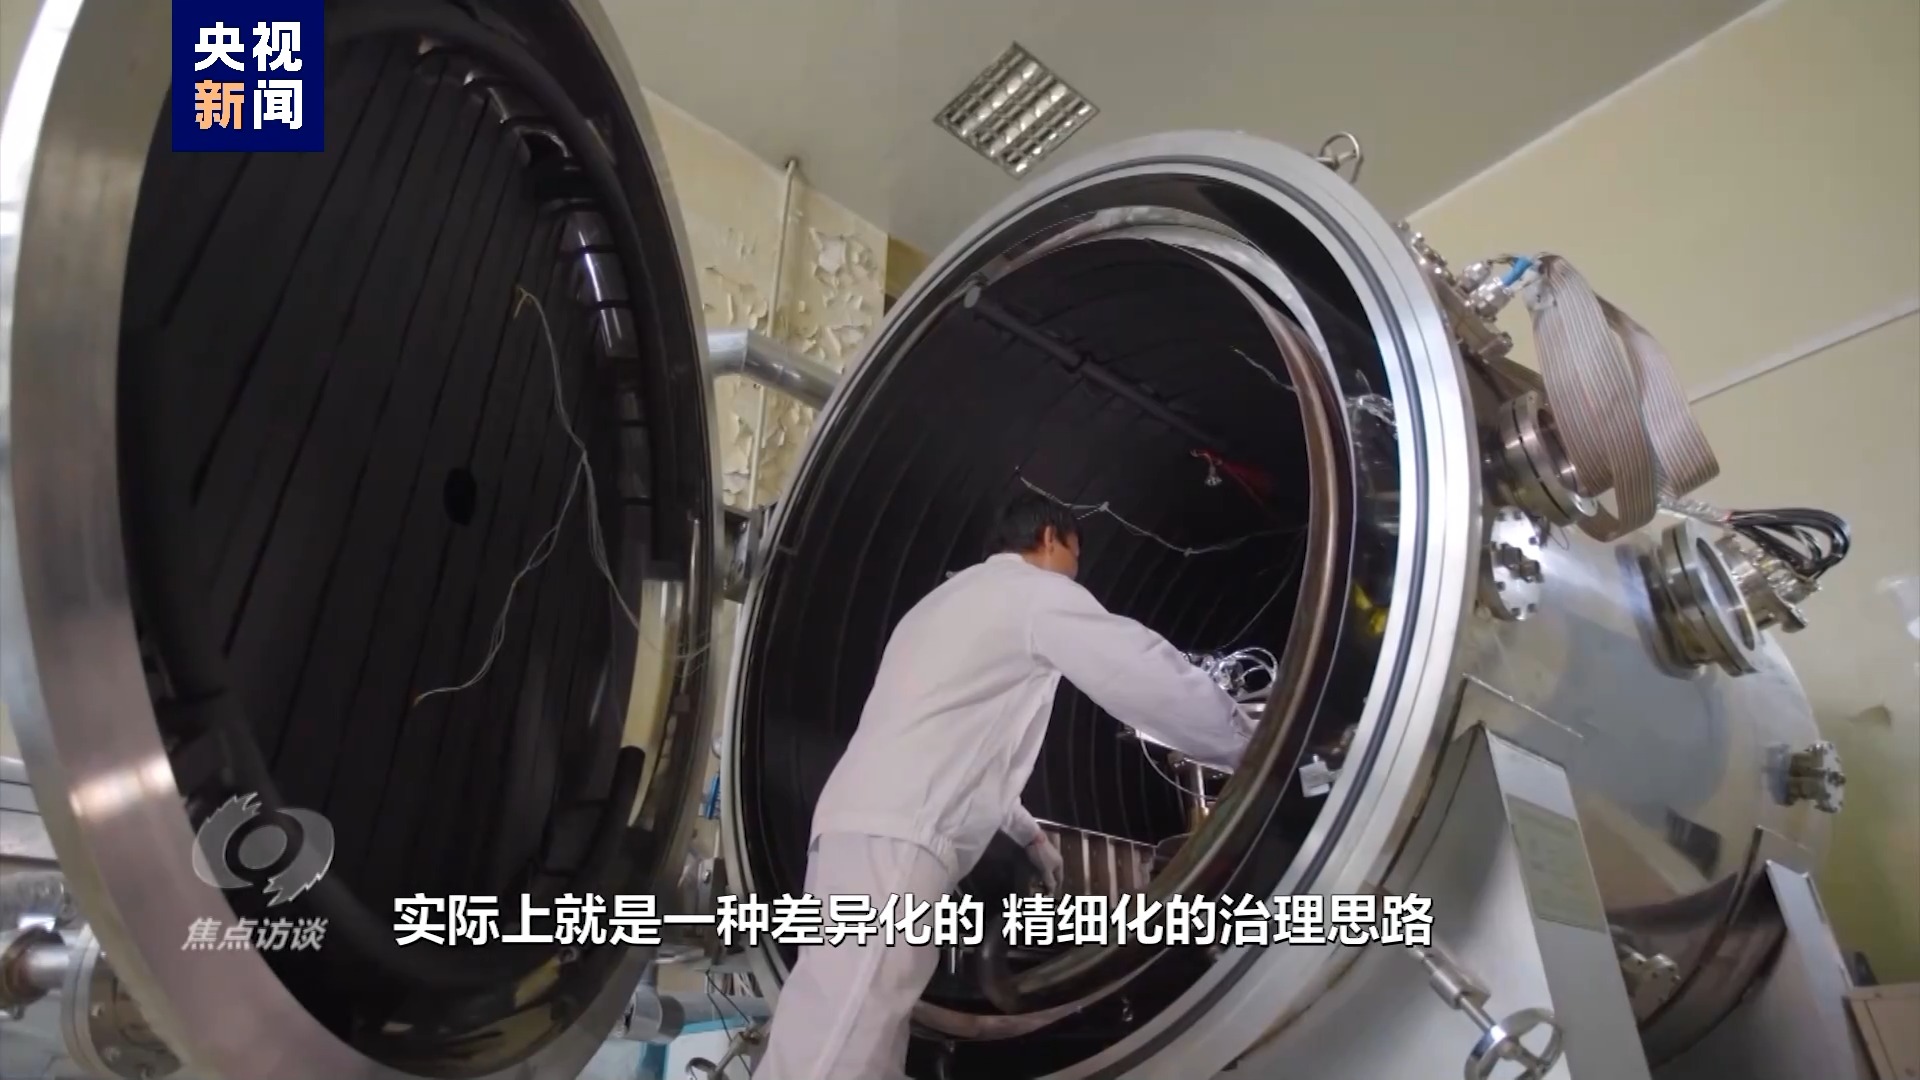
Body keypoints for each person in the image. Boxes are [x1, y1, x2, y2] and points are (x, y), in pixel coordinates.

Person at [755, 490, 1254, 1080]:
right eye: (1075, 555)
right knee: (842, 1037)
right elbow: (1140, 673)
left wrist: (1029, 835)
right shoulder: (1034, 594)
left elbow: (964, 744)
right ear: (1049, 538)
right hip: (898, 835)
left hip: (857, 827)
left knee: (848, 1018)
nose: (1075, 572)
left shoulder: (942, 605)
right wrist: (1253, 746)